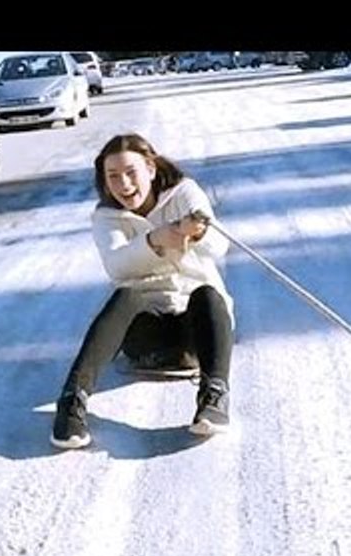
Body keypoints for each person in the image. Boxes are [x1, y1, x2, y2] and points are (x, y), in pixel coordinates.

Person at [51, 133, 234, 449]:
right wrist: (156, 239)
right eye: (113, 177)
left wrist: (200, 230)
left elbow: (220, 246)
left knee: (208, 294)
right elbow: (117, 266)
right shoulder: (106, 218)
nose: (123, 185)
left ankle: (214, 395)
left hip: (195, 336)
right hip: (146, 339)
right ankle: (72, 401)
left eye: (130, 172)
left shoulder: (184, 193)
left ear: (150, 168)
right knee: (127, 295)